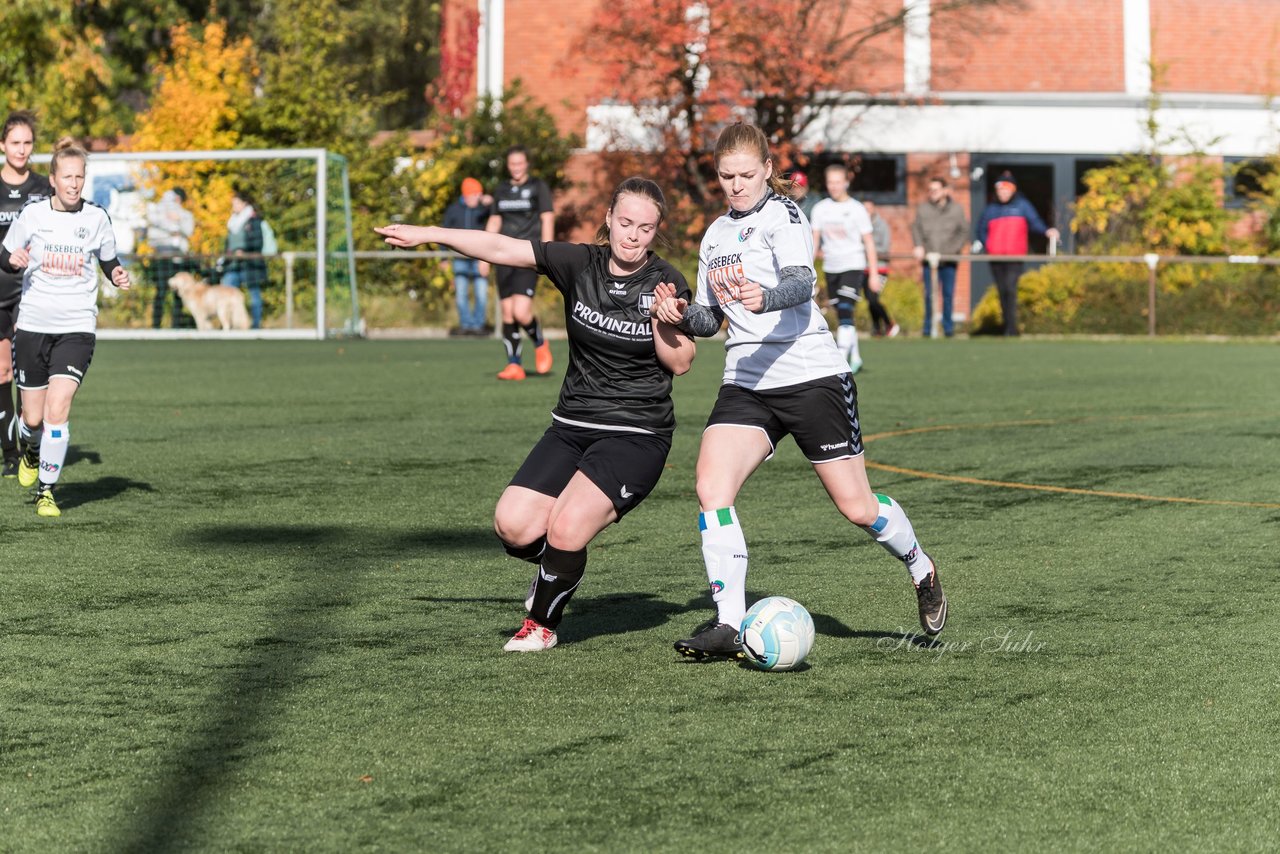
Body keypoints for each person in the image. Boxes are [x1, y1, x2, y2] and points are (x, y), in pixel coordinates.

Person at [652, 123, 946, 661]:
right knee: (711, 488)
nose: (736, 185)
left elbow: (800, 283)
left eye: (745, 174)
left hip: (810, 375)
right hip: (746, 381)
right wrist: (677, 312)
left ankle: (920, 565)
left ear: (767, 168)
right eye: (726, 176)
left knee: (857, 507)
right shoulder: (715, 235)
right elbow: (711, 318)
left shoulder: (784, 216)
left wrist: (764, 298)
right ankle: (727, 623)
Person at [376, 176, 695, 652]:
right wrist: (430, 233)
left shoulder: (664, 282)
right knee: (513, 525)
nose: (632, 235)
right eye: (625, 222)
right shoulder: (578, 263)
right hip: (571, 426)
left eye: (645, 228)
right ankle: (558, 568)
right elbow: (500, 247)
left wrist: (664, 323)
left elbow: (682, 363)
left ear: (656, 232)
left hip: (636, 433)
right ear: (608, 219)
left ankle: (541, 624)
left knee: (567, 527)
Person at [0, 137, 132, 517]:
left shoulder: (96, 218)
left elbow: (109, 260)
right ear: (53, 180)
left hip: (76, 327)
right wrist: (14, 260)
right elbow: (4, 255)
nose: (74, 184)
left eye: (80, 177)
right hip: (33, 325)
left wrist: (117, 273)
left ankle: (46, 491)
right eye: (67, 177)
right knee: (32, 419)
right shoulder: (34, 215)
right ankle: (30, 450)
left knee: (58, 410)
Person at [0, 111, 49, 479]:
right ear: (3, 145)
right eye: (14, 142)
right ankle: (9, 452)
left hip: (33, 293)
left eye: (27, 143)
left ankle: (32, 442)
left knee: (27, 372)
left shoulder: (43, 188)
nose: (21, 149)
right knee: (2, 369)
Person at [485, 145, 555, 380]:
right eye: (512, 164)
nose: (516, 168)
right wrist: (483, 254)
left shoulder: (538, 187)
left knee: (521, 312)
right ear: (508, 165)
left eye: (520, 163)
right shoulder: (502, 189)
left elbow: (547, 218)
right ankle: (514, 365)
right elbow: (495, 221)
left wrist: (547, 252)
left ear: (526, 164)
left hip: (528, 254)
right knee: (507, 312)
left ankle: (540, 342)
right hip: (502, 255)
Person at [809, 163, 878, 374]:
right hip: (831, 267)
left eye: (838, 182)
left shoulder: (856, 209)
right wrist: (807, 269)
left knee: (847, 309)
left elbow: (869, 242)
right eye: (830, 182)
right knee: (842, 314)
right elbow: (814, 241)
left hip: (853, 265)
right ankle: (855, 357)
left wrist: (873, 273)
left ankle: (841, 361)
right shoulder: (821, 209)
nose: (834, 186)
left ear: (846, 182)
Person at [974, 171, 1059, 337]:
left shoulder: (1022, 206)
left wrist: (1047, 231)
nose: (1003, 193)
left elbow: (1035, 223)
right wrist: (988, 245)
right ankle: (1006, 325)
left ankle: (1012, 328)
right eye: (1000, 190)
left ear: (1012, 190)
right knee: (1001, 290)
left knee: (1010, 289)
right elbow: (981, 230)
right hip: (996, 257)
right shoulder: (991, 209)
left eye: (1006, 189)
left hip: (1015, 256)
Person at [910, 176, 969, 338]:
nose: (933, 193)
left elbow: (963, 231)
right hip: (929, 259)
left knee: (948, 294)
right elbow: (916, 229)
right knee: (930, 294)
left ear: (944, 190)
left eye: (936, 189)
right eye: (930, 190)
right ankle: (928, 329)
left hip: (949, 259)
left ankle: (948, 328)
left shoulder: (956, 209)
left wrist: (952, 251)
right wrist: (919, 246)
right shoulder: (923, 209)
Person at [442, 177, 491, 336]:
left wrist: (490, 203)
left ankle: (478, 326)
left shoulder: (484, 209)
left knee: (481, 293)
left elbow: (496, 220)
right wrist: (443, 258)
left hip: (480, 258)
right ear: (467, 195)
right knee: (461, 293)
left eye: (479, 195)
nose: (477, 198)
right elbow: (443, 232)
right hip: (459, 259)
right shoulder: (453, 209)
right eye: (475, 195)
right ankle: (466, 324)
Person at [145, 187, 195, 329]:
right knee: (160, 292)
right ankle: (156, 326)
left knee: (178, 294)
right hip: (162, 257)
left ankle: (176, 326)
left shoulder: (186, 215)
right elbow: (153, 225)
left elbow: (189, 230)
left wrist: (179, 221)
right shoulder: (159, 212)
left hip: (178, 258)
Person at [221, 188, 268, 329]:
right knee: (226, 293)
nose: (233, 207)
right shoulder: (231, 222)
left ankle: (255, 325)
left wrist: (244, 250)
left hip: (250, 264)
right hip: (233, 264)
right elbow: (228, 243)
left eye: (236, 203)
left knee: (254, 295)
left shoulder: (254, 221)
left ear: (244, 204)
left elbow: (258, 242)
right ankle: (229, 325)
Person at [862, 199, 899, 338]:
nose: (866, 212)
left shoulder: (881, 225)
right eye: (864, 209)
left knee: (873, 299)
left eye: (868, 209)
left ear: (873, 209)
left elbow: (884, 248)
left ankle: (889, 323)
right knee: (869, 301)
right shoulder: (858, 225)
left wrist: (868, 250)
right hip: (863, 268)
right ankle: (877, 329)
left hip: (879, 268)